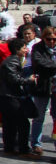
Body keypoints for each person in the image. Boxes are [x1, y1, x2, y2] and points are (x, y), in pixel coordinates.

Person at [0, 38, 37, 157]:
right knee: (23, 123)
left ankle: (9, 147)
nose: (26, 50)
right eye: (24, 48)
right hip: (8, 96)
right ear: (17, 49)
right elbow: (14, 79)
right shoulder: (13, 61)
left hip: (4, 96)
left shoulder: (12, 60)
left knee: (10, 123)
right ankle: (23, 149)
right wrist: (29, 80)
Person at [29, 26, 56, 155]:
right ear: (44, 38)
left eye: (54, 39)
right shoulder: (37, 48)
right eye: (48, 39)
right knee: (38, 116)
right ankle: (36, 144)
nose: (51, 42)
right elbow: (39, 63)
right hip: (43, 85)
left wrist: (49, 66)